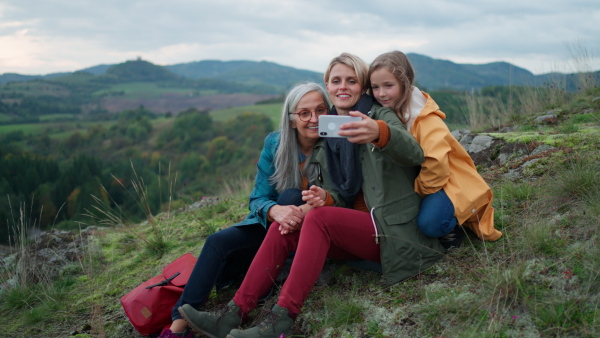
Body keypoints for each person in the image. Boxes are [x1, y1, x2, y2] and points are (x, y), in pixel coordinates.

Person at [176, 52, 444, 338]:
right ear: (327, 87)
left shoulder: (378, 114)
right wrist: (324, 199)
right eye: (336, 80)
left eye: (351, 81)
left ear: (362, 85)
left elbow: (414, 153)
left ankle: (279, 320)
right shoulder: (330, 130)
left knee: (318, 219)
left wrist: (378, 132)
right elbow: (339, 195)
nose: (343, 87)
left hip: (392, 232)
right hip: (358, 232)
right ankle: (232, 314)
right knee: (286, 224)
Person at [159, 82, 338, 338]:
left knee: (291, 195)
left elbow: (341, 195)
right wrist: (275, 211)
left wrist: (297, 210)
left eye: (320, 110)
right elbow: (257, 198)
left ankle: (268, 279)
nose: (314, 119)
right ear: (291, 120)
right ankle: (177, 328)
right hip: (271, 226)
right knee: (217, 242)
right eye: (304, 113)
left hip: (309, 231)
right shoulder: (276, 144)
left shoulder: (336, 146)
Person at [368, 50, 502, 247]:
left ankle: (453, 224)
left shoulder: (424, 119)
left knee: (430, 224)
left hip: (446, 182)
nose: (381, 93)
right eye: (375, 87)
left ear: (406, 82)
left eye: (389, 85)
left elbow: (437, 165)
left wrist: (417, 192)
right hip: (425, 180)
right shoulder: (389, 112)